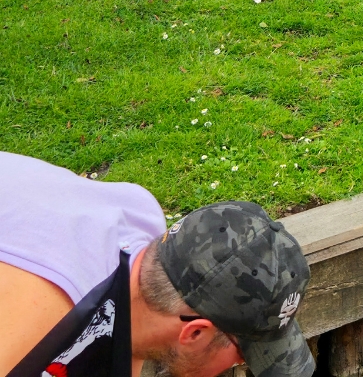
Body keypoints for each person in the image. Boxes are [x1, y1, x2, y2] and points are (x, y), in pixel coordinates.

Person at [0, 151, 314, 377]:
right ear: (195, 333)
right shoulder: (39, 317)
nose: (240, 364)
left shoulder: (141, 226)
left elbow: (127, 344)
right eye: (241, 355)